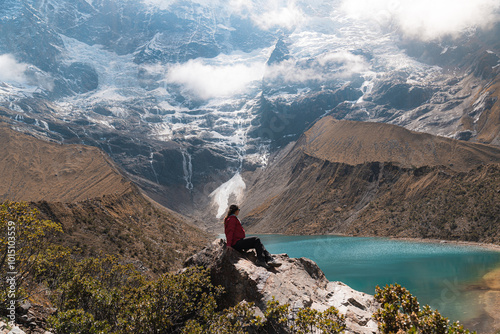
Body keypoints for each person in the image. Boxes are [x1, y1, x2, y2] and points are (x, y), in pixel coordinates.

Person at [224, 204, 280, 268]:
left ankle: (269, 259)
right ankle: (261, 260)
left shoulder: (231, 218)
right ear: (236, 211)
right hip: (236, 243)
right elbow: (230, 232)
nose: (239, 211)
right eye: (239, 210)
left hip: (237, 242)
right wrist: (228, 244)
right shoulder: (232, 219)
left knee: (259, 244)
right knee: (256, 239)